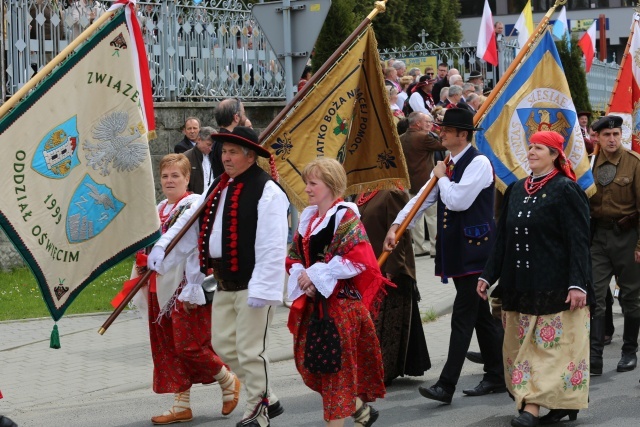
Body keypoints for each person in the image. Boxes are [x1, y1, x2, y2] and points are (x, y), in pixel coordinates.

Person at [147, 127, 289, 427]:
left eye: (233, 152)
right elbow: (192, 229)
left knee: (251, 351)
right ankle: (268, 396)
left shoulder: (268, 190)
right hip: (224, 283)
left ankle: (258, 411)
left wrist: (264, 289)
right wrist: (163, 250)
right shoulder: (220, 187)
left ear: (250, 156)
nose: (226, 157)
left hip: (253, 284)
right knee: (224, 346)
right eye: (224, 151)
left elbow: (272, 244)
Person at [384, 108, 504, 405]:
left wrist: (441, 177)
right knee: (480, 317)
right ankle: (498, 373)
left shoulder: (478, 162)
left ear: (462, 135)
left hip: (476, 253)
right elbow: (423, 197)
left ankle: (446, 384)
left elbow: (458, 200)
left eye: (447, 130)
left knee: (462, 319)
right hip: (461, 252)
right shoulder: (448, 163)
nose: (442, 133)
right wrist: (398, 225)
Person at [477, 131, 592, 427]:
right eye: (529, 146)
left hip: (555, 286)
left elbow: (579, 241)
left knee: (548, 351)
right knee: (519, 349)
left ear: (554, 155)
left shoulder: (566, 189)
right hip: (518, 286)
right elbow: (503, 239)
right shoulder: (515, 189)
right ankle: (557, 403)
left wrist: (578, 283)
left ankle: (532, 407)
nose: (531, 151)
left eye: (538, 148)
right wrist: (488, 276)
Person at [132, 153, 241, 425]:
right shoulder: (159, 209)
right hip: (159, 285)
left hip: (183, 285)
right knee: (167, 346)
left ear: (186, 178)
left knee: (189, 344)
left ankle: (227, 380)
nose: (169, 181)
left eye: (175, 176)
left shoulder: (192, 205)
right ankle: (181, 405)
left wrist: (193, 286)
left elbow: (195, 250)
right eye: (165, 176)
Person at [286, 158, 387, 427]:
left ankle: (349, 412)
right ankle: (359, 409)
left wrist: (316, 275)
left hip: (340, 310)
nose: (306, 188)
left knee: (335, 377)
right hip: (315, 307)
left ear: (330, 185)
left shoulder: (345, 216)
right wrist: (302, 277)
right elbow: (295, 256)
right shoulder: (309, 218)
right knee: (314, 369)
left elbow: (359, 260)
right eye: (307, 182)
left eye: (312, 183)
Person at [357, 188, 431, 384]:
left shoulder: (393, 192)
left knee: (388, 325)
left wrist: (393, 267)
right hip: (372, 268)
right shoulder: (362, 193)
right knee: (375, 323)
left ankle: (383, 371)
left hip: (390, 270)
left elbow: (401, 231)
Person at [589, 115, 640, 376]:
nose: (611, 139)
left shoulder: (633, 164)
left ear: (621, 135)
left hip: (628, 236)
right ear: (597, 137)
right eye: (606, 135)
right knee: (595, 295)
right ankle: (594, 357)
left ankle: (629, 351)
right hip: (598, 237)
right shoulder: (589, 164)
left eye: (616, 134)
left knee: (631, 296)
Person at [400, 112, 445, 257]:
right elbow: (443, 145)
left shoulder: (401, 138)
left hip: (409, 182)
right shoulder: (424, 137)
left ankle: (419, 247)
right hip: (426, 182)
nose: (430, 124)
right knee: (432, 216)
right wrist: (441, 128)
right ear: (418, 123)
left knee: (414, 216)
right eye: (427, 121)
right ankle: (435, 248)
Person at [183, 126, 221, 194]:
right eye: (208, 144)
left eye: (213, 145)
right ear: (199, 140)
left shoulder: (215, 156)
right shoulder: (186, 157)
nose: (211, 148)